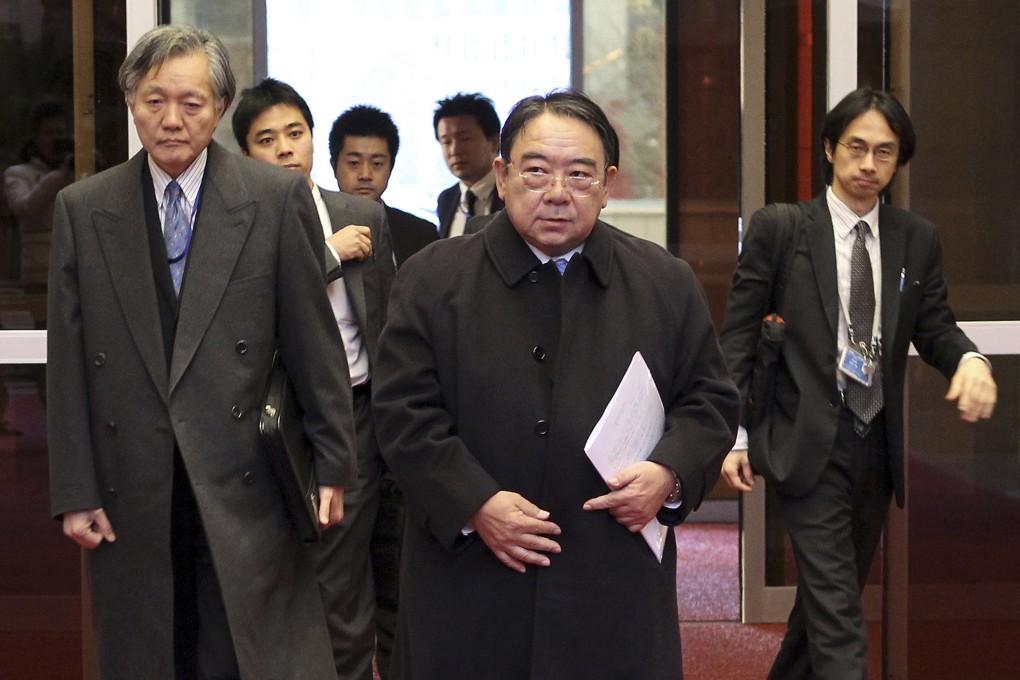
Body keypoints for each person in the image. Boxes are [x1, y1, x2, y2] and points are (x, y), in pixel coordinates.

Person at [371, 89, 740, 679]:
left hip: (610, 575)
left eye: (580, 174)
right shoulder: (433, 279)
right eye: (537, 171)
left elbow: (711, 401)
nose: (557, 193)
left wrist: (669, 472)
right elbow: (401, 413)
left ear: (609, 182)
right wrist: (475, 503)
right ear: (501, 172)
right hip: (470, 573)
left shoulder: (663, 282)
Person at [47, 26, 357, 679]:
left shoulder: (272, 200)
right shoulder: (84, 208)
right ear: (131, 103)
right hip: (132, 478)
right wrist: (74, 489)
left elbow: (313, 344)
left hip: (245, 475)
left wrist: (333, 465)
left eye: (191, 103)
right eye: (154, 100)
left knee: (246, 653)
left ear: (218, 108)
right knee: (152, 652)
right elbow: (69, 361)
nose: (171, 119)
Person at [719, 87, 998, 680]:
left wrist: (970, 361)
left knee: (823, 603)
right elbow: (738, 338)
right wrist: (735, 435)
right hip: (805, 442)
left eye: (885, 153)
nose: (869, 165)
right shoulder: (781, 229)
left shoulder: (913, 238)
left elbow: (936, 325)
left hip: (874, 448)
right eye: (856, 148)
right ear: (829, 148)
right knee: (841, 614)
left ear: (898, 161)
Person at [232, 78, 396, 680]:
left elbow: (388, 329)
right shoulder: (236, 228)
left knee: (344, 587)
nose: (284, 149)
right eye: (266, 139)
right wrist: (326, 255)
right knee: (271, 583)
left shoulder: (363, 215)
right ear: (244, 153)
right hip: (266, 425)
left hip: (354, 421)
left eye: (294, 133)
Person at [329, 104, 438, 267]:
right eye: (354, 163)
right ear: (334, 166)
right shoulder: (313, 228)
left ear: (391, 167)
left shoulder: (421, 234)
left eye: (377, 163)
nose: (365, 174)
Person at [4, 101, 75, 286]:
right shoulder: (17, 174)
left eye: (60, 133)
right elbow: (24, 208)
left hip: (77, 274)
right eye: (48, 133)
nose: (55, 139)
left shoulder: (79, 170)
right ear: (36, 138)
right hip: (39, 278)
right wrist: (60, 176)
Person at [432, 92, 503, 238]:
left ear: (494, 142)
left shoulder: (514, 195)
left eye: (465, 138)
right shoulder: (446, 200)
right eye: (446, 141)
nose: (454, 150)